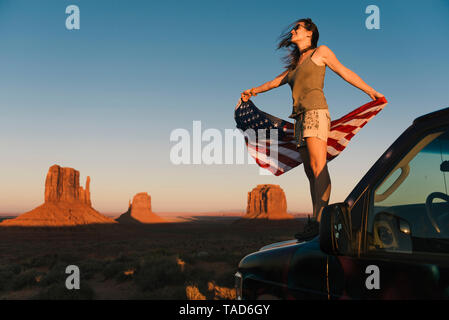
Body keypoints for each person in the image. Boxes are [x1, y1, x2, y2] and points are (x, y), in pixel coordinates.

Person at [241, 18, 384, 240]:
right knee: (310, 173)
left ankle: (320, 221)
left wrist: (371, 92)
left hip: (316, 113)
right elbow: (273, 83)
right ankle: (316, 221)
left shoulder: (321, 52)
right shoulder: (295, 65)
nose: (292, 30)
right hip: (299, 120)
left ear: (309, 33)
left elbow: (345, 72)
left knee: (319, 166)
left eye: (297, 27)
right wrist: (252, 91)